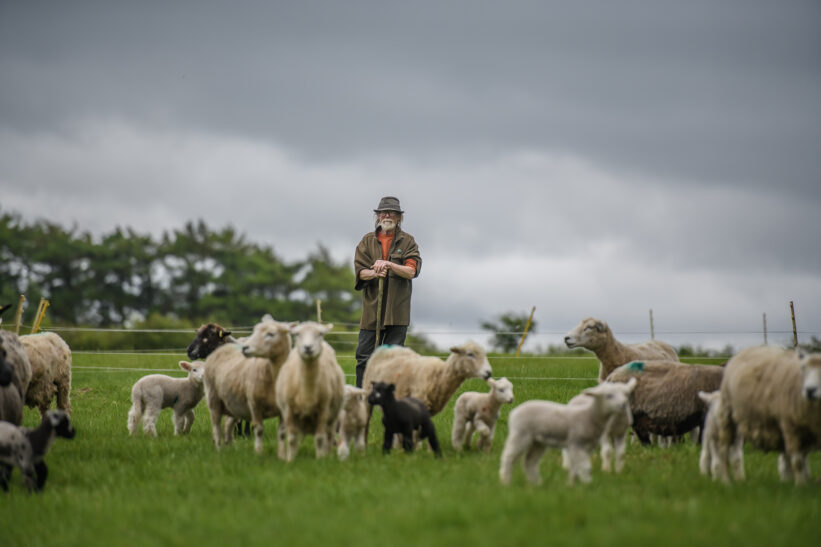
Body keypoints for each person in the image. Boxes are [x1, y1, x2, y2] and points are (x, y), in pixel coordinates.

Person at [354, 196, 422, 387]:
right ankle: (362, 398)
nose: (387, 215)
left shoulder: (408, 242)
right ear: (377, 216)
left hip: (397, 312)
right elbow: (360, 272)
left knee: (394, 360)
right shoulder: (366, 241)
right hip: (371, 311)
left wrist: (390, 265)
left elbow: (411, 271)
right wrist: (375, 273)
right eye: (383, 212)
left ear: (399, 217)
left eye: (392, 212)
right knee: (364, 357)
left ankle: (389, 403)